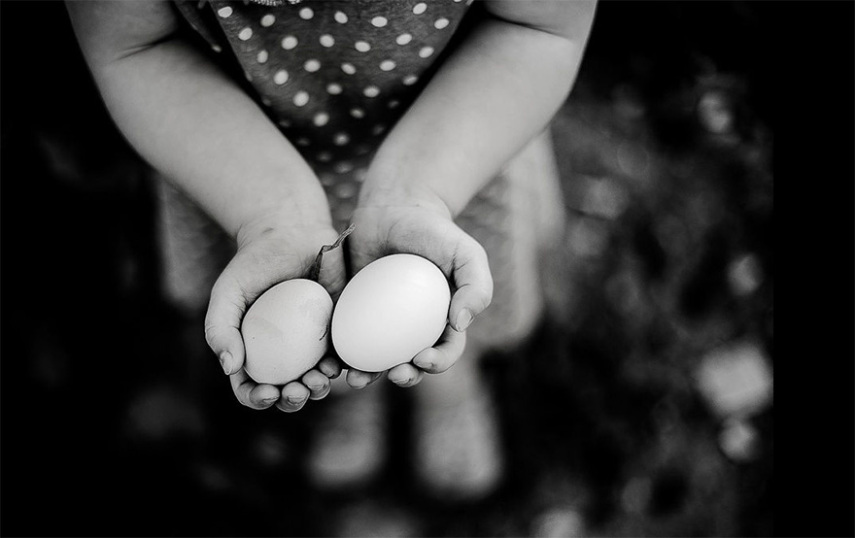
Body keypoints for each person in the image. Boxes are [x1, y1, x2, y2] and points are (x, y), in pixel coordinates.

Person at [67, 0, 596, 499]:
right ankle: (350, 393)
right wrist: (274, 213)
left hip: (452, 147)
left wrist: (416, 192)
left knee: (437, 299)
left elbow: (537, 25)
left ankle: (450, 390)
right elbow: (136, 45)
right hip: (234, 164)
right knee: (326, 327)